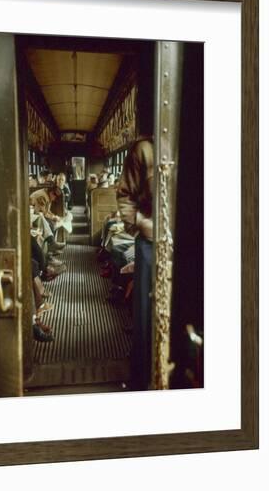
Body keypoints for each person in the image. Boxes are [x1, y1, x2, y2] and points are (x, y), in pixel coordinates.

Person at [116, 136, 154, 391]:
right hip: (150, 242)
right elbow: (125, 194)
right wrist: (139, 224)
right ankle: (141, 380)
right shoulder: (143, 149)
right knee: (145, 314)